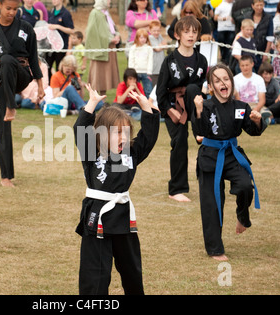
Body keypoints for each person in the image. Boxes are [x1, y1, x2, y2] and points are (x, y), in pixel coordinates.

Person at [74, 84, 160, 295]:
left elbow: (148, 138)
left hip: (122, 217)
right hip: (98, 218)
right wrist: (91, 104)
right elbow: (80, 131)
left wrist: (147, 108)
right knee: (95, 274)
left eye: (126, 132)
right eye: (117, 133)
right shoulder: (93, 154)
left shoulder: (129, 154)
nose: (123, 138)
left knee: (131, 270)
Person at [193, 64, 266, 262]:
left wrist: (257, 120)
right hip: (209, 156)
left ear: (232, 82)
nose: (222, 83)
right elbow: (198, 133)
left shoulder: (241, 107)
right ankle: (215, 249)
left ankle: (242, 216)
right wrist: (199, 110)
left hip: (231, 154)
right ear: (211, 86)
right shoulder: (206, 106)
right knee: (212, 203)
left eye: (225, 79)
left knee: (245, 186)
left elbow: (252, 130)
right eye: (217, 80)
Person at [0, 0, 44, 187]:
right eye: (8, 8)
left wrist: (40, 85)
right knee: (3, 127)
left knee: (8, 60)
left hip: (21, 75)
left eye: (15, 9)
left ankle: (11, 106)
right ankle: (5, 176)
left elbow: (33, 58)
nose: (12, 12)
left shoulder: (25, 28)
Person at [156, 16, 208, 202]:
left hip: (195, 108)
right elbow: (160, 93)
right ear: (177, 35)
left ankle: (199, 131)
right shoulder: (169, 61)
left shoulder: (201, 60)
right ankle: (176, 189)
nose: (191, 35)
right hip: (173, 105)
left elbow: (202, 89)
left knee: (194, 88)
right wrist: (171, 111)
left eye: (194, 32)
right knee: (179, 141)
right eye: (186, 31)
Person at [85, 0, 121, 96]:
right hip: (100, 48)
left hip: (109, 49)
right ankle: (94, 100)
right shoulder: (95, 13)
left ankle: (103, 99)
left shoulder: (105, 13)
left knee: (105, 77)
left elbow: (111, 28)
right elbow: (92, 32)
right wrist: (109, 39)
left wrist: (116, 35)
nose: (110, 1)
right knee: (97, 76)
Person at [46, 0, 74, 78]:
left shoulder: (66, 13)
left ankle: (61, 87)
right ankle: (50, 87)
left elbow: (71, 30)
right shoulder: (51, 12)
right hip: (51, 47)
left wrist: (58, 26)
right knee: (47, 68)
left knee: (60, 69)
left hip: (61, 48)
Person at [244, 0, 274, 70]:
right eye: (257, 5)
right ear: (252, 6)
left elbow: (270, 37)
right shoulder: (247, 16)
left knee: (260, 70)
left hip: (262, 50)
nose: (259, 7)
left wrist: (266, 53)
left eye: (261, 5)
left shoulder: (269, 17)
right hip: (248, 50)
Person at [128, 28, 153, 98]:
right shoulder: (133, 48)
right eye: (141, 37)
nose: (143, 39)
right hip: (136, 72)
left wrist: (149, 71)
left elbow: (150, 60)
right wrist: (132, 72)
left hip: (146, 72)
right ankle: (136, 104)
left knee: (148, 90)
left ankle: (149, 104)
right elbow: (131, 60)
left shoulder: (149, 48)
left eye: (145, 37)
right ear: (137, 38)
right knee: (135, 90)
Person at [214, 0, 235, 64]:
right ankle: (223, 57)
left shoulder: (235, 4)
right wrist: (224, 18)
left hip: (232, 28)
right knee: (222, 43)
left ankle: (227, 60)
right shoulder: (221, 4)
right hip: (222, 28)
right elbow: (215, 17)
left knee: (229, 44)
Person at [148, 19, 166, 91]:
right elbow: (157, 49)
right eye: (154, 30)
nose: (156, 32)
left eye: (158, 30)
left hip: (161, 67)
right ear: (150, 30)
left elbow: (165, 44)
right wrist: (161, 46)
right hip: (154, 69)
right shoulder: (150, 38)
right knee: (153, 87)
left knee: (161, 86)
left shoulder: (159, 36)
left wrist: (161, 46)